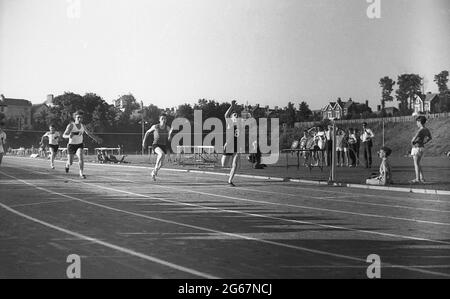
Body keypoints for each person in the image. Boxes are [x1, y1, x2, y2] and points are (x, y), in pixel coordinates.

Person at [63, 110, 101, 179]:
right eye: (78, 117)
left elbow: (88, 133)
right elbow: (64, 135)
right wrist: (69, 136)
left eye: (81, 118)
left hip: (79, 144)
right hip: (71, 145)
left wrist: (96, 138)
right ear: (75, 118)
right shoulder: (71, 125)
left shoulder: (83, 126)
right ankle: (67, 165)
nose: (80, 119)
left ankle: (81, 173)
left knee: (81, 156)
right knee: (70, 162)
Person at [142, 113, 173, 181]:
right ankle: (155, 168)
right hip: (156, 144)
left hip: (163, 145)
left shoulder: (168, 128)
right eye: (162, 118)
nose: (164, 120)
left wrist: (170, 134)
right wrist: (144, 141)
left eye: (165, 119)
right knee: (161, 154)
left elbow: (169, 140)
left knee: (161, 164)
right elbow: (147, 132)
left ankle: (153, 172)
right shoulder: (155, 126)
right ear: (159, 120)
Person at [221, 100, 241, 186]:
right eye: (234, 115)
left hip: (237, 146)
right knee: (224, 164)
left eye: (237, 115)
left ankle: (230, 180)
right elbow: (226, 115)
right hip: (229, 145)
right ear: (231, 117)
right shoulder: (229, 123)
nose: (236, 116)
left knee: (235, 164)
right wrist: (231, 106)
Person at [410, 115, 432, 184]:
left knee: (416, 164)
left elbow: (413, 140)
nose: (416, 123)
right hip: (422, 148)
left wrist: (413, 143)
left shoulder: (420, 130)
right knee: (418, 163)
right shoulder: (426, 129)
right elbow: (429, 138)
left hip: (416, 148)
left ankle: (417, 179)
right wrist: (423, 142)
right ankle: (422, 178)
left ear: (420, 122)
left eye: (417, 122)